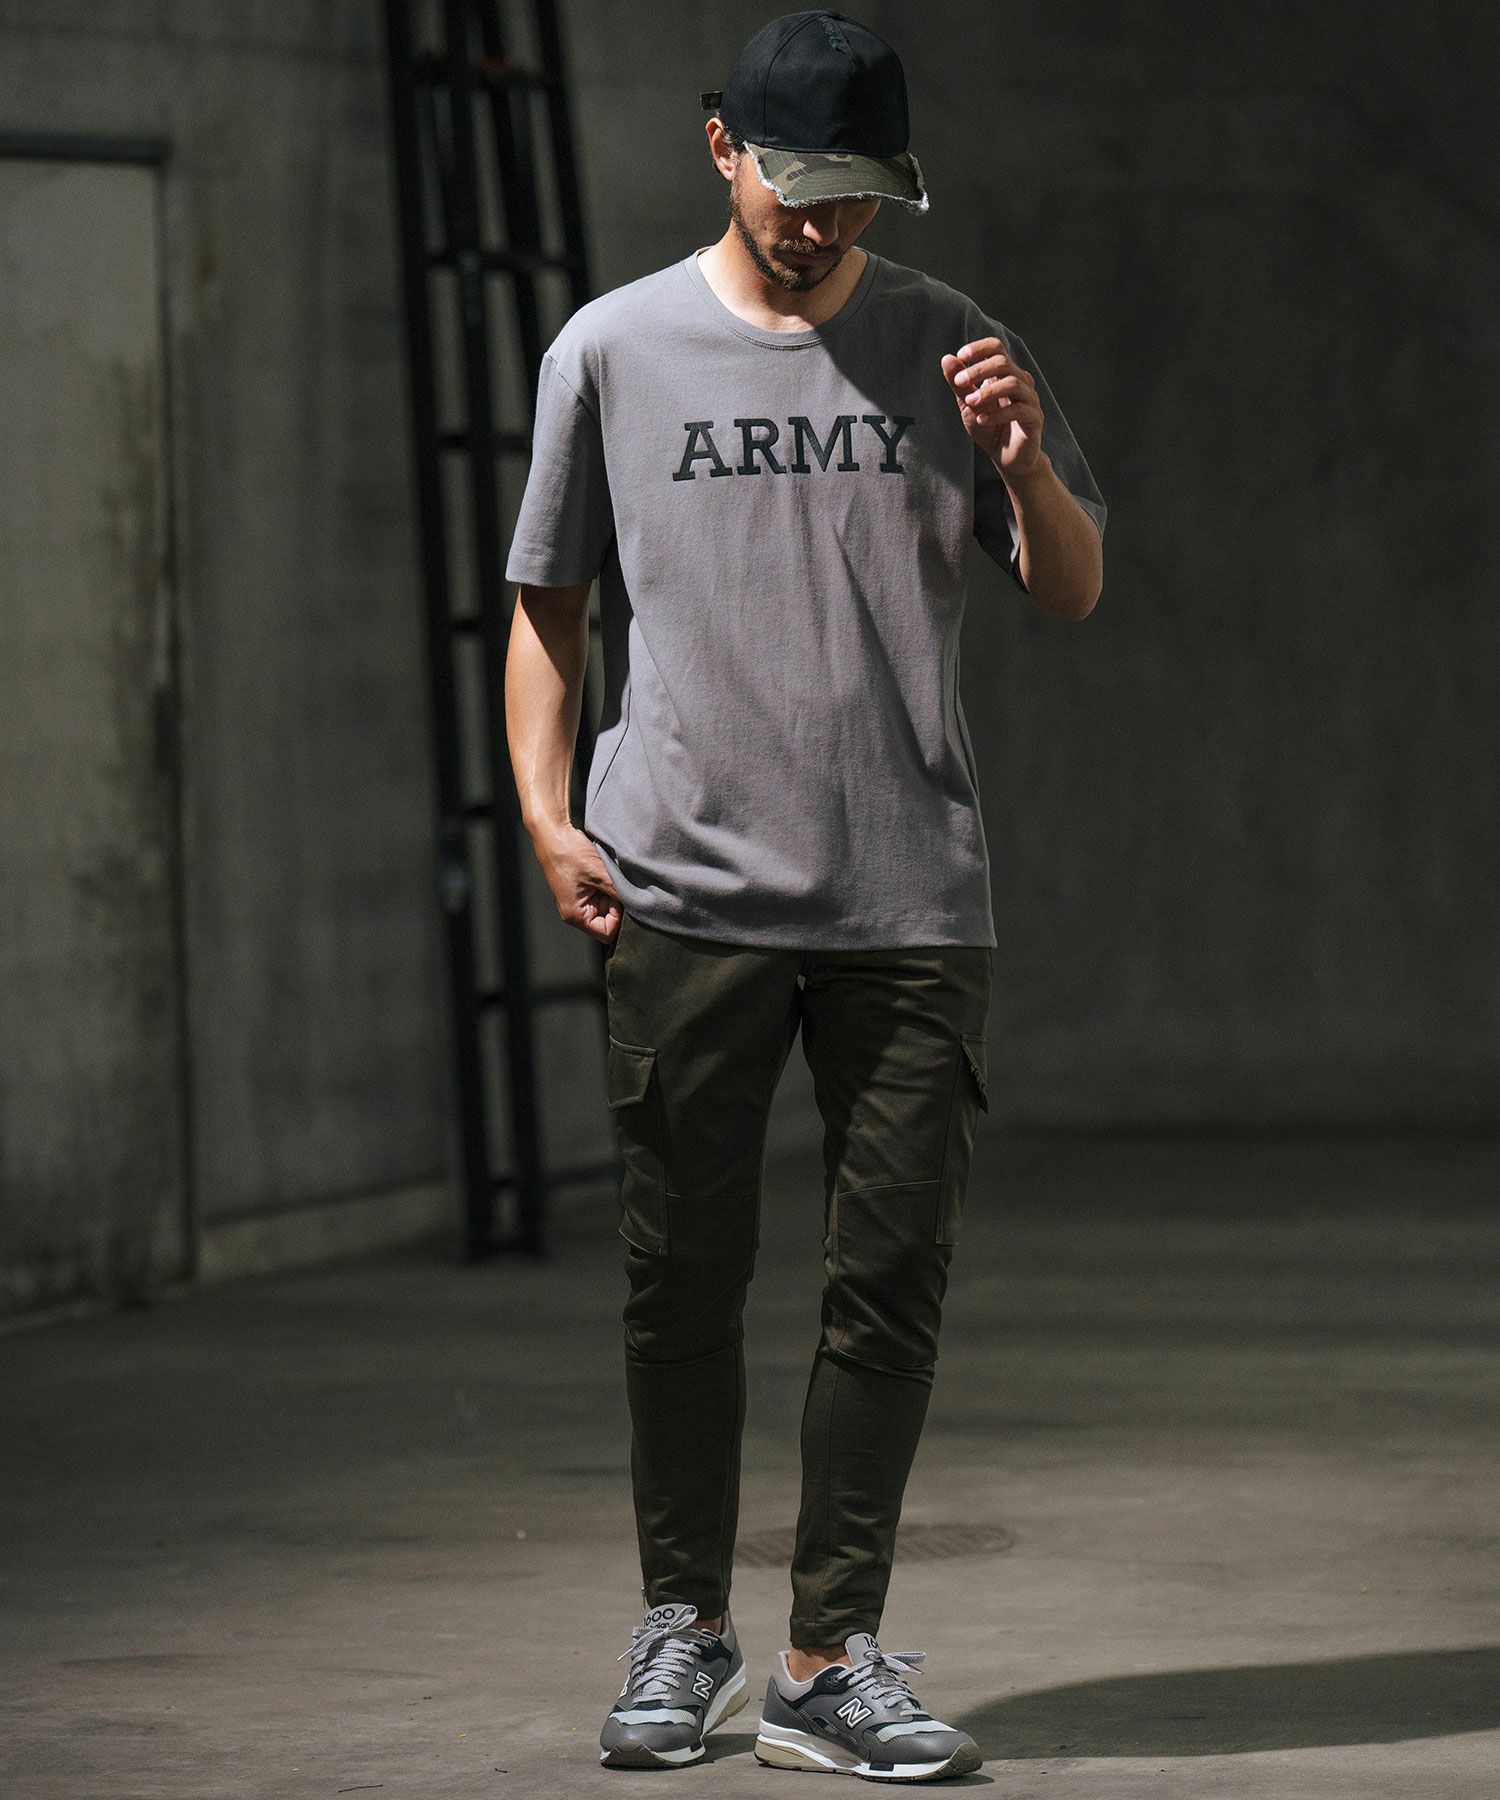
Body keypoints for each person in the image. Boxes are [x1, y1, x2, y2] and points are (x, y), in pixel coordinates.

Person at [503, 8, 1106, 1781]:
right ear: (722, 148)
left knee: (889, 1283)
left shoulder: (953, 342)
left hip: (909, 903)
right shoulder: (612, 349)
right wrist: (545, 814)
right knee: (680, 1277)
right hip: (682, 891)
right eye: (796, 187)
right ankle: (681, 1628)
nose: (822, 224)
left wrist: (1022, 462)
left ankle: (829, 1659)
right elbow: (549, 609)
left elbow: (1072, 585)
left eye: (857, 198)